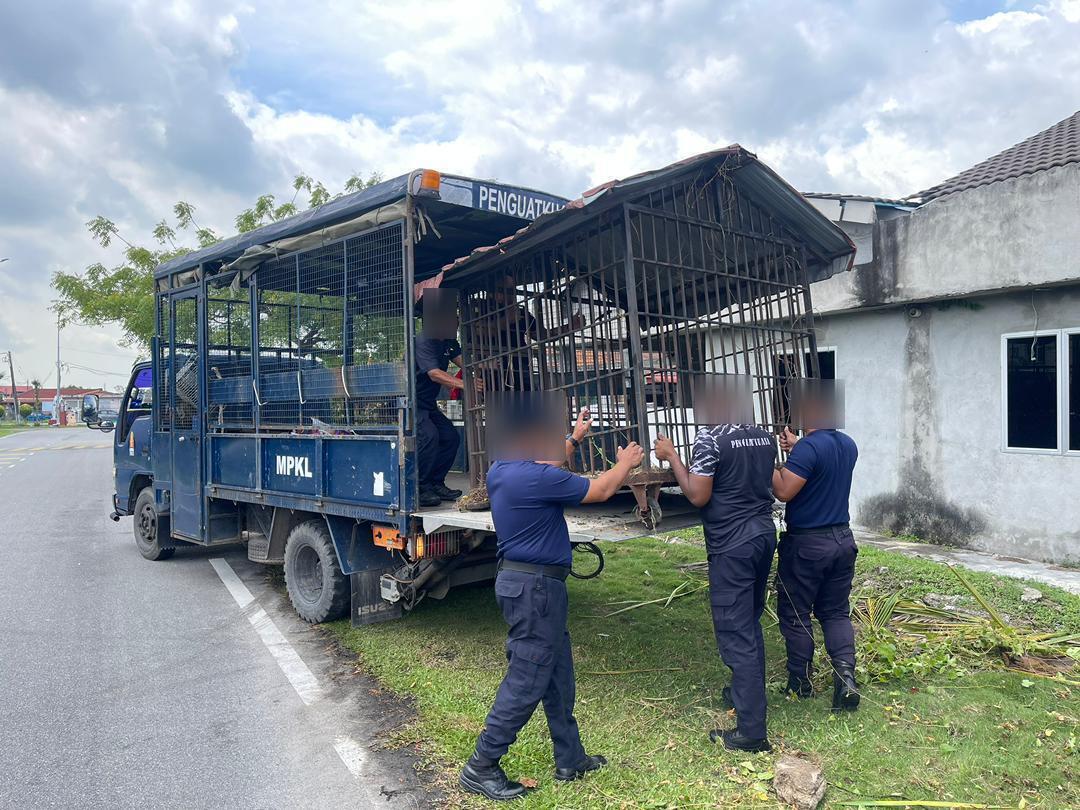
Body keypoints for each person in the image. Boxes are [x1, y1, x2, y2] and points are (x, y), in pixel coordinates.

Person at [460, 405, 645, 801]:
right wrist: (626, 462)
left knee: (558, 674)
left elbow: (551, 455)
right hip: (535, 590)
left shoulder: (501, 469)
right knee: (527, 678)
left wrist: (575, 439)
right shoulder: (536, 476)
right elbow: (601, 490)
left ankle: (570, 757)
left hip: (529, 585)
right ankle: (481, 765)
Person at [654, 418, 778, 753]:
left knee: (737, 632)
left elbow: (697, 493)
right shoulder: (763, 435)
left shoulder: (710, 438)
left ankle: (752, 733)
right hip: (763, 534)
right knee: (749, 623)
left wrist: (672, 456)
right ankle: (743, 693)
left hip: (733, 544)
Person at [772, 393, 860, 712]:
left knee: (796, 613)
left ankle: (800, 682)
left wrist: (766, 460)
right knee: (835, 612)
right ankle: (846, 679)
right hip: (842, 540)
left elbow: (783, 491)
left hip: (808, 543)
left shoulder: (809, 447)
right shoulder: (848, 445)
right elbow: (820, 466)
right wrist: (797, 446)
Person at [414, 332, 466, 508]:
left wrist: (485, 365)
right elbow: (434, 374)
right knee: (429, 436)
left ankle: (436, 483)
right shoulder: (424, 341)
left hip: (429, 403)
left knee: (451, 437)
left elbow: (465, 363)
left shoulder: (449, 341)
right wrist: (464, 384)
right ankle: (420, 488)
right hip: (412, 402)